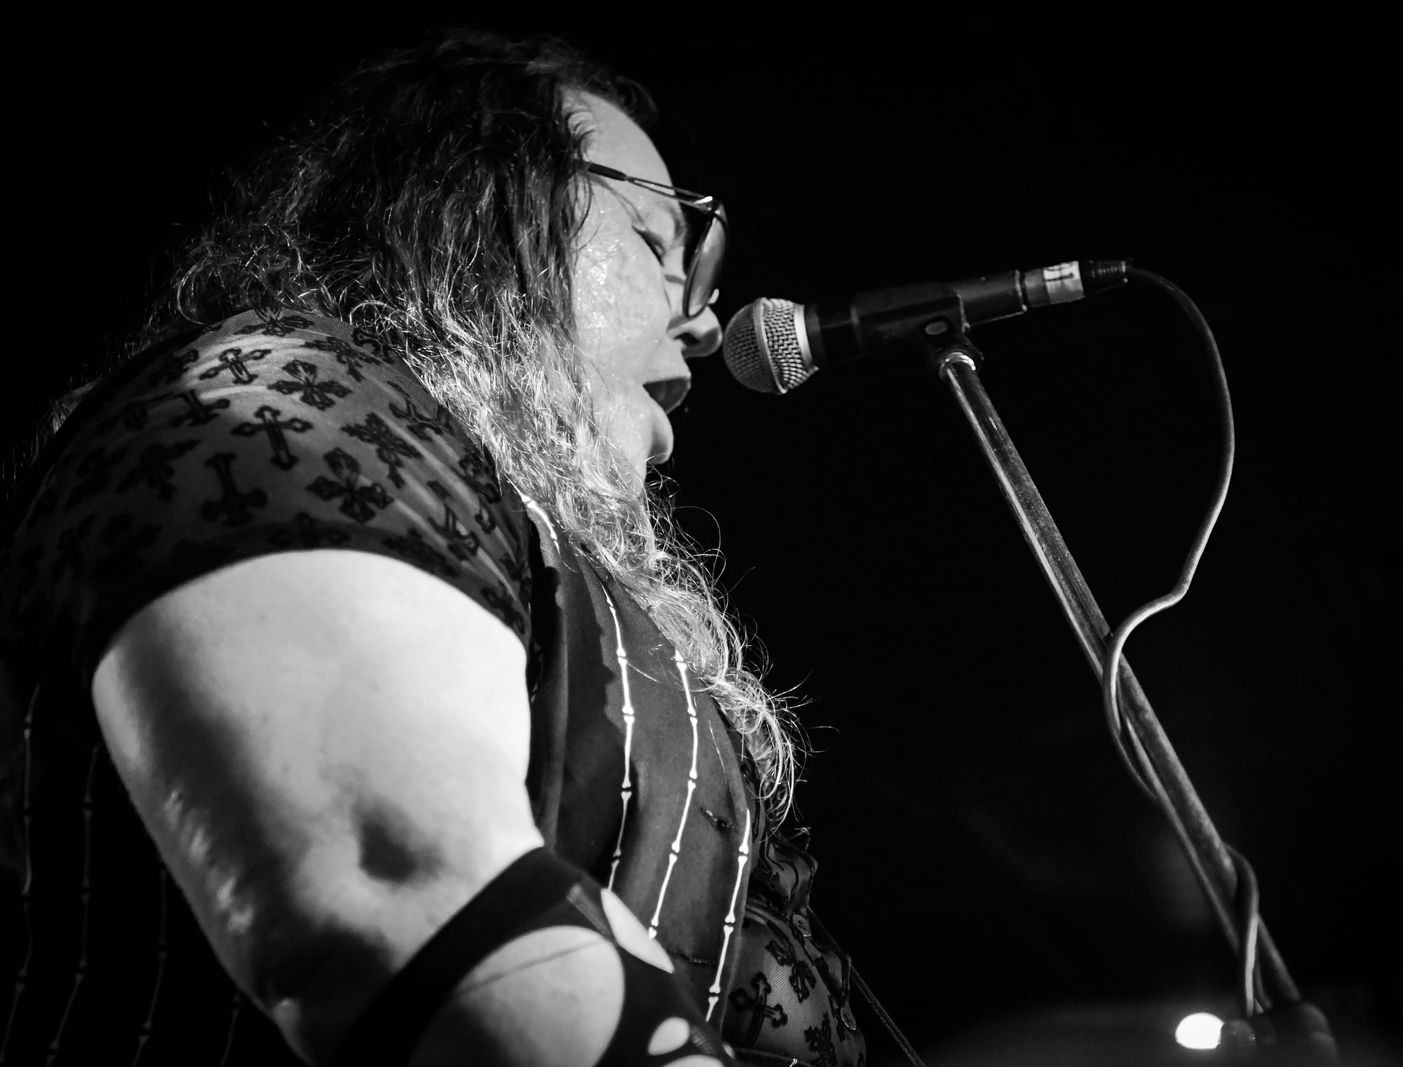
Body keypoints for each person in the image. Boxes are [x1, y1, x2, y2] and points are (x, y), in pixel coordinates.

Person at [0, 31, 866, 1066]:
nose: (704, 322)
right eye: (656, 240)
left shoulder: (501, 537)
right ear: (478, 211)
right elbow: (395, 897)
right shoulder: (284, 405)